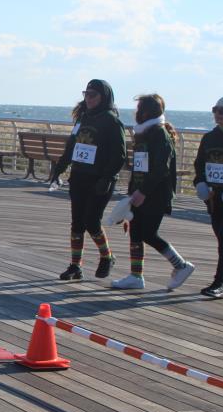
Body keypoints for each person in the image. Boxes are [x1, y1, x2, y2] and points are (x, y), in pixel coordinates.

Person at [111, 94, 194, 290]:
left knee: (148, 233)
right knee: (135, 232)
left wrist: (143, 192)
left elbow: (160, 168)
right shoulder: (144, 134)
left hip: (155, 195)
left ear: (147, 112)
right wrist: (132, 193)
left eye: (139, 108)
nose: (136, 112)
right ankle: (136, 276)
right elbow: (140, 168)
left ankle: (181, 265)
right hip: (139, 193)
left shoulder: (159, 134)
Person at [51, 79, 127, 281]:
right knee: (77, 223)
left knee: (91, 221)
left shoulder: (112, 121)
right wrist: (59, 169)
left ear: (104, 97)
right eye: (86, 94)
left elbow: (119, 155)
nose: (89, 99)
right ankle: (75, 266)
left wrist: (107, 177)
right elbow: (72, 146)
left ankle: (107, 256)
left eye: (93, 95)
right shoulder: (82, 118)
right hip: (79, 176)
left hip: (100, 179)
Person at [192, 95, 223, 298]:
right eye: (215, 110)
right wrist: (200, 182)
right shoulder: (209, 138)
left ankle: (220, 283)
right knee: (221, 236)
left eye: (222, 111)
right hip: (214, 197)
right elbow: (200, 164)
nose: (218, 114)